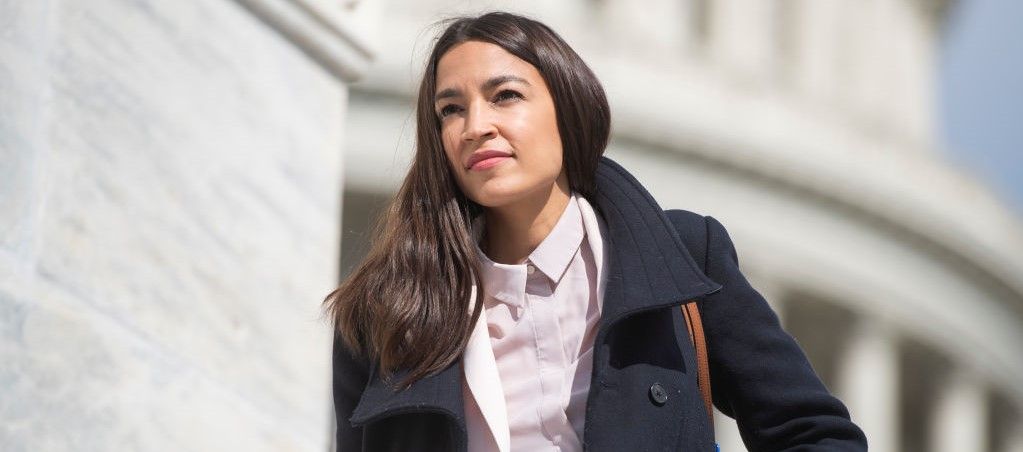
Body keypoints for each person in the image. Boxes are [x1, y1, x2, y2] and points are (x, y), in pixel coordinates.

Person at [324, 11, 868, 452]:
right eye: (450, 110)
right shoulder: (386, 315)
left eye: (505, 96)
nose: (476, 127)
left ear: (569, 109)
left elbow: (815, 434)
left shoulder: (683, 259)